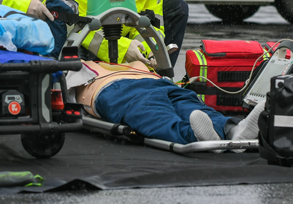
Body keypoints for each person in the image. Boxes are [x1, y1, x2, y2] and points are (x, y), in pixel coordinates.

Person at [67, 59, 263, 146]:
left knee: (189, 104)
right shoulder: (70, 61)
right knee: (155, 114)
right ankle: (193, 135)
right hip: (113, 88)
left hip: (154, 80)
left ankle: (231, 129)